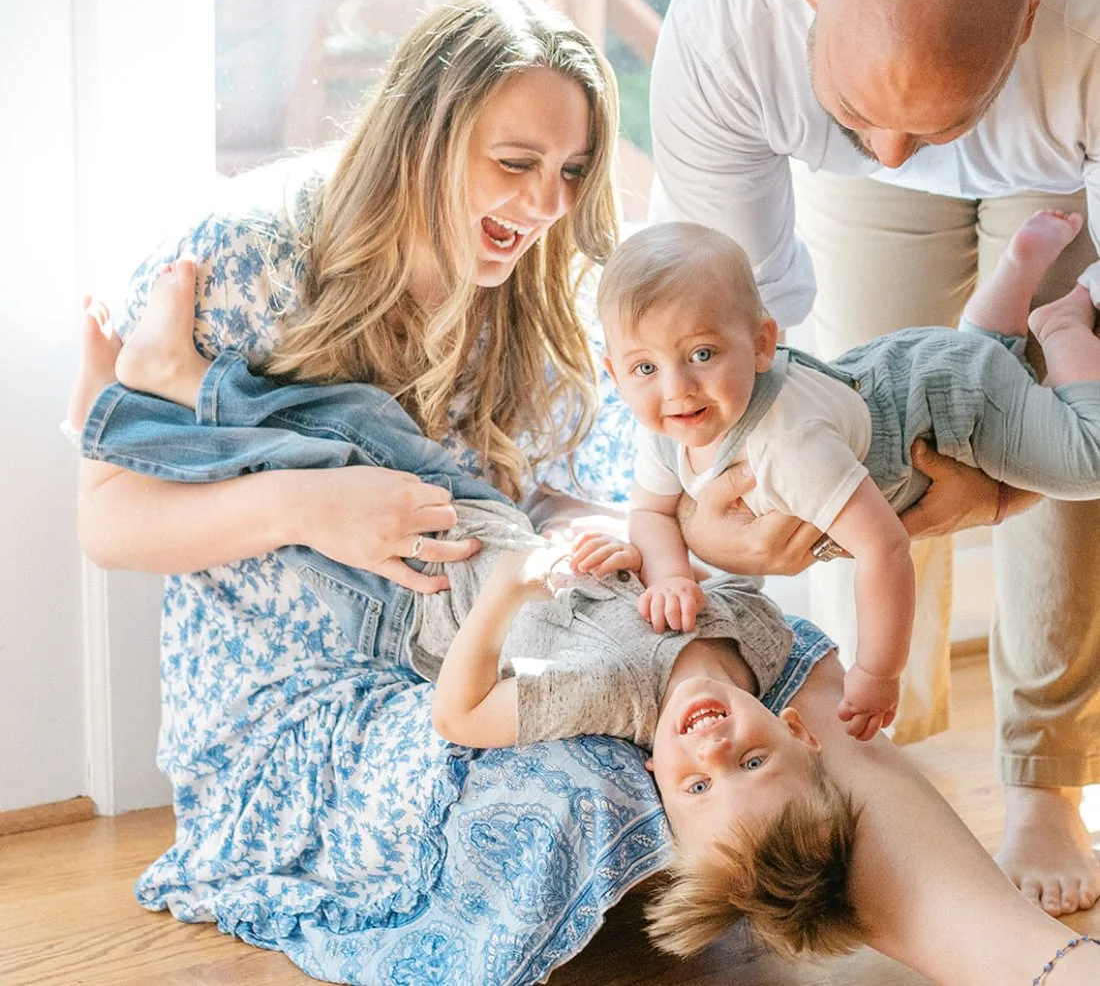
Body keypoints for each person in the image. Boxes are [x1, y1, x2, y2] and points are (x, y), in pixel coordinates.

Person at [70, 263, 1100, 984]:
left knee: (327, 445)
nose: (709, 747)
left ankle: (125, 405)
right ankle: (168, 385)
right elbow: (708, 576)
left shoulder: (613, 695)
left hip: (428, 578)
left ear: (653, 777)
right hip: (491, 518)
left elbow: (461, 714)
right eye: (750, 761)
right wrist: (624, 548)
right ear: (795, 730)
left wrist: (514, 591)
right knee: (358, 423)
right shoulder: (767, 648)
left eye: (693, 783)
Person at [75, 0, 663, 986]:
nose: (543, 206)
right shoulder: (246, 254)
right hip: (295, 724)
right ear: (420, 132)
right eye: (514, 165)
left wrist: (659, 542)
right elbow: (108, 521)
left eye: (569, 173)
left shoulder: (539, 282)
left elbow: (551, 502)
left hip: (464, 657)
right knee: (575, 798)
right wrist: (310, 510)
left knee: (695, 711)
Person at [649, 0, 1100, 914]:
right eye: (865, 118)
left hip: (1059, 146)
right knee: (863, 416)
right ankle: (877, 725)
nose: (897, 153)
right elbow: (724, 329)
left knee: (1053, 443)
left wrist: (999, 490)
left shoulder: (1087, 27)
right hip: (864, 79)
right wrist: (709, 504)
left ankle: (1042, 775)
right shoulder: (729, 23)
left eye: (931, 126)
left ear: (1031, 22)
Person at [596, 215, 1100, 742]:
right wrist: (672, 573)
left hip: (961, 404)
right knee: (982, 357)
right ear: (616, 374)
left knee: (1088, 459)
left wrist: (878, 671)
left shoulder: (789, 446)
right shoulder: (668, 427)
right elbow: (650, 511)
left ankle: (1060, 327)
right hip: (912, 370)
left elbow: (883, 547)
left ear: (763, 344)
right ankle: (1012, 278)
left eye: (702, 354)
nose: (677, 388)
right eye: (645, 368)